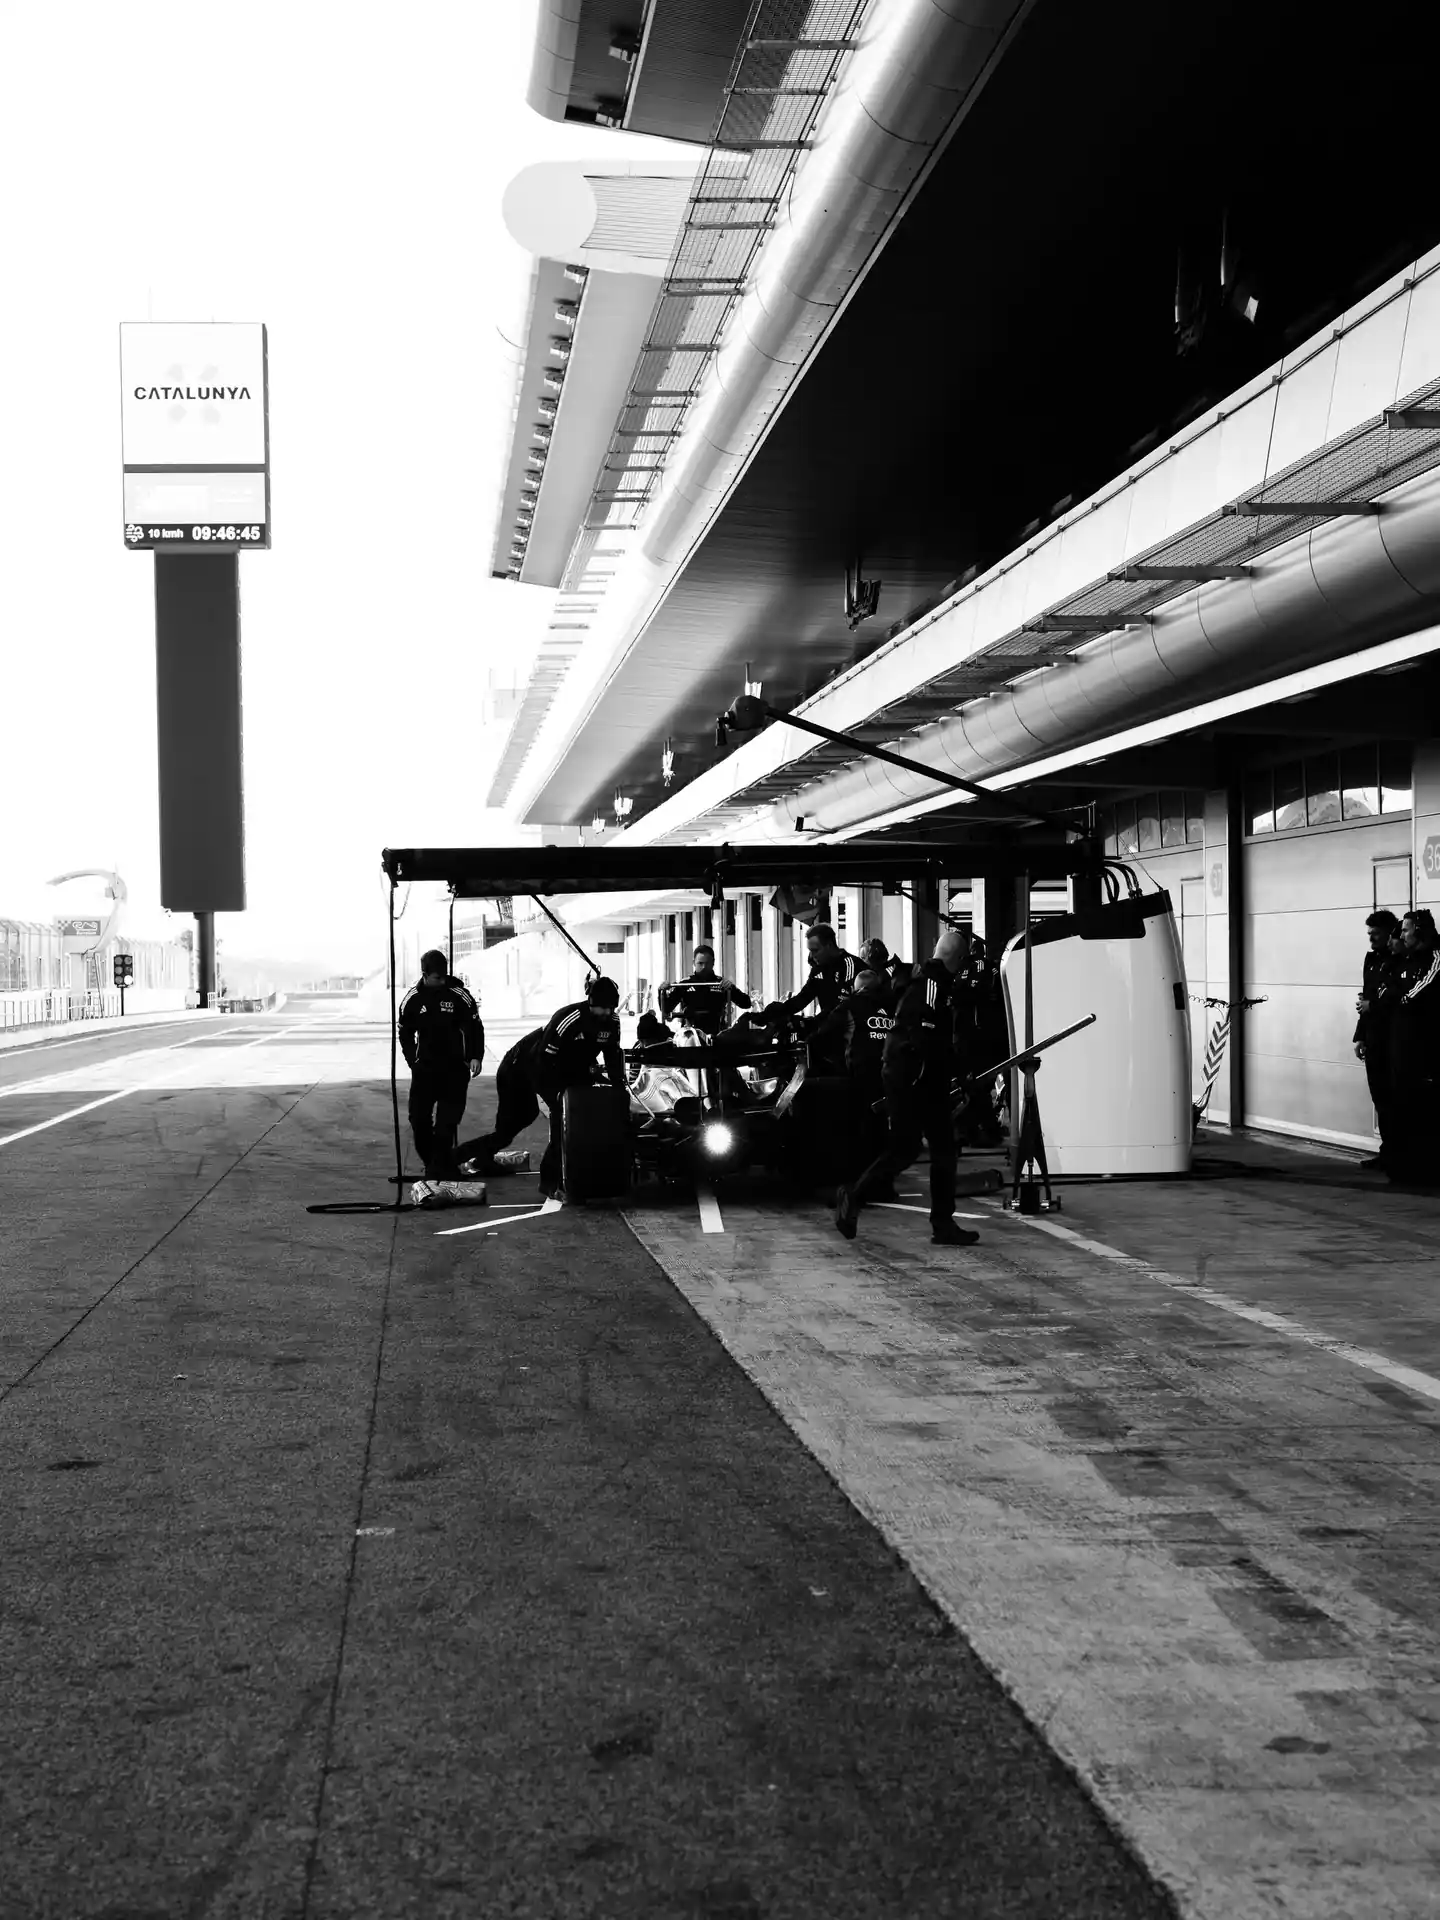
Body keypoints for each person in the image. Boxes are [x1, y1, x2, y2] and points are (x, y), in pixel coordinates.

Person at [835, 929, 979, 1246]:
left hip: (913, 1078)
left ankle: (855, 1195)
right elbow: (925, 1036)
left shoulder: (927, 981)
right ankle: (941, 1223)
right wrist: (949, 1073)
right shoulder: (932, 985)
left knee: (908, 1149)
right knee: (937, 1149)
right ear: (960, 959)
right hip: (917, 1080)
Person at [534, 975, 628, 1199]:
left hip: (581, 1071)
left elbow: (613, 1056)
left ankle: (594, 1177)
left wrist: (617, 1088)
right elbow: (545, 1061)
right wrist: (557, 1093)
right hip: (551, 1072)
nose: (607, 1013)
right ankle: (549, 1184)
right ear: (591, 1003)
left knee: (596, 1119)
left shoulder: (612, 1021)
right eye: (602, 1008)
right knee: (563, 1127)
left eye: (611, 1008)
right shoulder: (570, 1018)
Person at [398, 950, 484, 1180]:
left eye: (444, 976)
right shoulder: (412, 999)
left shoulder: (459, 995)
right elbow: (404, 1033)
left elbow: (475, 1027)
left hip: (455, 1069)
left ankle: (441, 1167)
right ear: (425, 975)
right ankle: (433, 1164)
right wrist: (412, 1062)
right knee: (418, 1120)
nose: (442, 981)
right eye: (437, 978)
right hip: (425, 1069)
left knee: (447, 1123)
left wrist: (475, 1056)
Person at [806, 965, 895, 1173]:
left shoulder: (850, 1005)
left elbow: (821, 1035)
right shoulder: (893, 1005)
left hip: (861, 1073)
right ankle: (884, 1179)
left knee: (861, 1126)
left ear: (858, 989)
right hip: (891, 1073)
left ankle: (861, 1177)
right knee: (883, 1126)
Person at [1385, 909, 1440, 1185]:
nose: (1402, 935)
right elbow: (1388, 990)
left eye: (1406, 930)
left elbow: (1414, 994)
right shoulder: (1406, 959)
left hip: (1426, 1049)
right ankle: (1406, 1164)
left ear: (1419, 931)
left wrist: (1400, 997)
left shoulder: (1435, 959)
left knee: (1425, 1108)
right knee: (1403, 1104)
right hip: (1403, 1047)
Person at [454, 1025, 547, 1173]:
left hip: (518, 1072)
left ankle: (482, 1158)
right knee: (506, 1131)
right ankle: (455, 1157)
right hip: (513, 1074)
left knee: (526, 1116)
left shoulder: (569, 1027)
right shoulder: (563, 1030)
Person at [1353, 909, 1401, 1170]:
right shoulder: (1371, 960)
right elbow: (1366, 1000)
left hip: (1392, 1039)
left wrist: (1374, 1006)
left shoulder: (1399, 961)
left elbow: (1394, 1000)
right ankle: (1388, 1152)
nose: (1371, 939)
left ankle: (1399, 1154)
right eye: (1369, 934)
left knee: (1395, 1100)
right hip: (1373, 1037)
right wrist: (1360, 1036)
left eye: (1376, 934)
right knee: (1380, 1098)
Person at [658, 944, 752, 1036]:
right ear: (694, 962)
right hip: (691, 1035)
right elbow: (665, 1009)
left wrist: (732, 989)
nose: (703, 967)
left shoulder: (721, 983)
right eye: (700, 963)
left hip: (717, 1033)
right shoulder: (685, 984)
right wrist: (662, 991)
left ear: (713, 963)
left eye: (707, 963)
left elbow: (746, 1003)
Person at [783, 921, 860, 1020]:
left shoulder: (852, 966)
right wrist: (769, 1014)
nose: (812, 955)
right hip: (827, 1029)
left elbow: (841, 1005)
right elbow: (801, 999)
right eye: (810, 951)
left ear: (829, 946)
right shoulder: (818, 970)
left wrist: (813, 1022)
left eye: (815, 950)